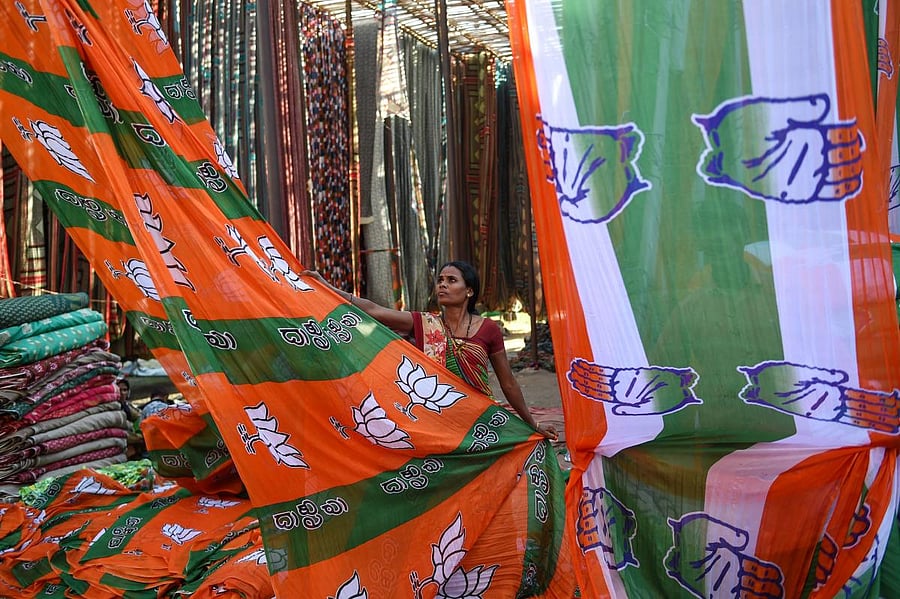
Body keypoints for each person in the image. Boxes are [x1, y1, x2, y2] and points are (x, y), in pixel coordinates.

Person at [302, 261, 558, 440]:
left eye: (451, 280)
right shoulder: (425, 323)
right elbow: (373, 311)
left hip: (477, 417)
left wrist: (532, 424)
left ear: (469, 291)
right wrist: (328, 288)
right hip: (436, 418)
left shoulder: (488, 329)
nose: (442, 286)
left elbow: (509, 383)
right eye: (440, 281)